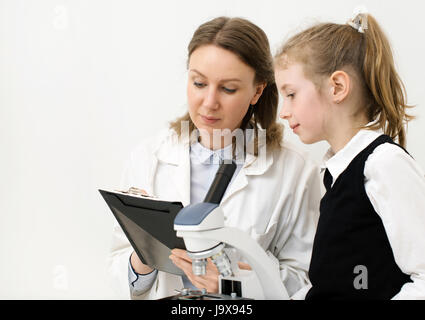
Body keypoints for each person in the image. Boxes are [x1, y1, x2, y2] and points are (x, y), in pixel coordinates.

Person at [108, 16, 321, 300]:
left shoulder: (296, 171)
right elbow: (121, 273)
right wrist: (144, 257)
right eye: (198, 83)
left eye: (228, 89)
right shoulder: (148, 157)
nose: (209, 102)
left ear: (257, 90)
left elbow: (304, 281)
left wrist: (234, 278)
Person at [274, 11, 425, 299]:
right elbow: (335, 282)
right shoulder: (334, 173)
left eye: (291, 94)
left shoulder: (383, 164)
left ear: (337, 87)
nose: (283, 111)